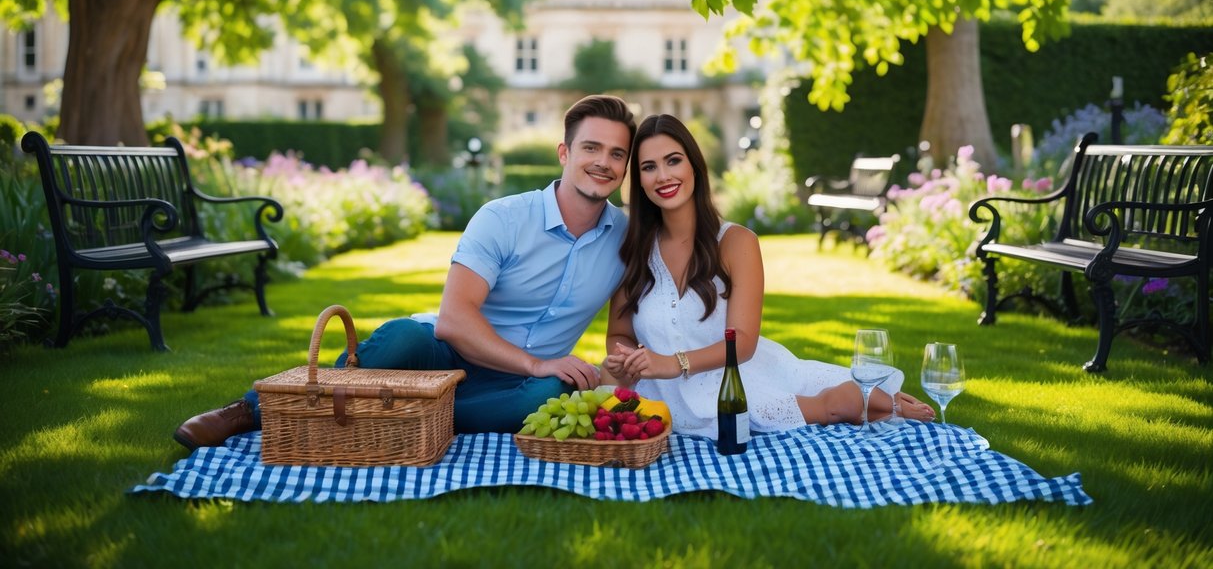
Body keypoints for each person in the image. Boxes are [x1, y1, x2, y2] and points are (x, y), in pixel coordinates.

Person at [173, 94, 637, 448]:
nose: (603, 162)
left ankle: (413, 412)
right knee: (403, 338)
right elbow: (455, 320)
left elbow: (622, 329)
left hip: (519, 385)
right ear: (564, 152)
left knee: (549, 395)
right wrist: (537, 361)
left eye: (617, 154)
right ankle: (251, 410)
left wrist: (616, 361)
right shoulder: (504, 217)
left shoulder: (627, 237)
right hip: (448, 352)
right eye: (591, 147)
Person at [602, 114, 933, 438]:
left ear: (694, 167)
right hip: (661, 394)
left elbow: (743, 342)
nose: (662, 176)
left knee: (831, 407)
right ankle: (862, 398)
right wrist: (625, 359)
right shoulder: (634, 249)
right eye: (649, 167)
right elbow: (619, 333)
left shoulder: (736, 242)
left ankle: (863, 399)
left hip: (735, 379)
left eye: (673, 161)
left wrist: (674, 362)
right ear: (639, 181)